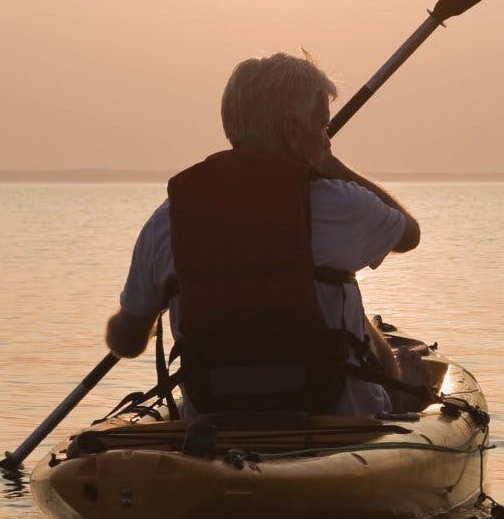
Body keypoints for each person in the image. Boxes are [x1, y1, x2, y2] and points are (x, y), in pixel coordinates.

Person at [105, 51, 424, 417]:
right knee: (362, 319)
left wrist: (150, 305)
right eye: (322, 127)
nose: (328, 140)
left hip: (215, 426)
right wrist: (331, 165)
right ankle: (405, 394)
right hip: (338, 426)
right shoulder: (342, 206)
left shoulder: (168, 220)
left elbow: (126, 342)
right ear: (292, 131)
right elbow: (408, 233)